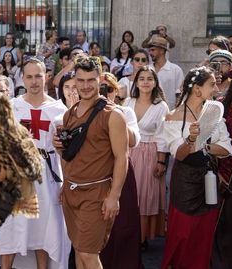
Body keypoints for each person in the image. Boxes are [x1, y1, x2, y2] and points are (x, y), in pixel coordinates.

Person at [0, 58, 70, 269]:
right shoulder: (12, 107)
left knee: (45, 227)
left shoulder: (59, 110)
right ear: (22, 78)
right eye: (30, 77)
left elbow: (66, 152)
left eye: (38, 76)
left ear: (47, 77)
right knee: (13, 226)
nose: (34, 81)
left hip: (49, 176)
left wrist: (67, 183)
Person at [53, 56, 129, 269]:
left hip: (96, 194)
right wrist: (59, 148)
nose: (85, 85)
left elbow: (122, 157)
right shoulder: (69, 114)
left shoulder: (113, 115)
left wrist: (114, 196)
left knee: (88, 253)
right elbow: (70, 154)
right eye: (81, 80)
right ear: (74, 81)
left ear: (100, 80)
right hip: (71, 192)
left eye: (91, 80)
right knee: (78, 250)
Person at [160, 67, 232, 269]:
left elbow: (226, 148)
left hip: (208, 179)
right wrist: (191, 139)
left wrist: (204, 145)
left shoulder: (214, 112)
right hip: (184, 181)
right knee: (182, 234)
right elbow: (180, 153)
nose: (217, 88)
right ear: (197, 89)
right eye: (212, 84)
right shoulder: (174, 116)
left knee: (203, 236)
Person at [98, 72, 143, 269]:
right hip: (96, 173)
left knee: (124, 224)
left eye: (108, 89)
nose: (104, 93)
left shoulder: (126, 112)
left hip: (121, 170)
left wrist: (115, 114)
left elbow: (133, 141)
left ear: (115, 91)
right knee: (98, 222)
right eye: (100, 89)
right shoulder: (86, 111)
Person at [123, 66, 169, 249]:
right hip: (127, 151)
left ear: (156, 83)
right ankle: (125, 235)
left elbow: (163, 136)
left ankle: (140, 239)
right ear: (136, 82)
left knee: (144, 197)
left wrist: (161, 161)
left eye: (150, 79)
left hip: (150, 154)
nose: (145, 82)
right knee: (126, 195)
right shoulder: (128, 102)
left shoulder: (161, 106)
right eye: (142, 78)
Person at [211, 63, 232, 268]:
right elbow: (213, 139)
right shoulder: (223, 105)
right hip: (231, 169)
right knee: (228, 220)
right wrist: (219, 171)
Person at [148, 36, 184, 109]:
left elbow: (180, 94)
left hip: (169, 114)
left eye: (153, 50)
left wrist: (176, 113)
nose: (150, 53)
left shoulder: (176, 70)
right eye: (149, 50)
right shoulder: (147, 69)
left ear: (162, 51)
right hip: (149, 113)